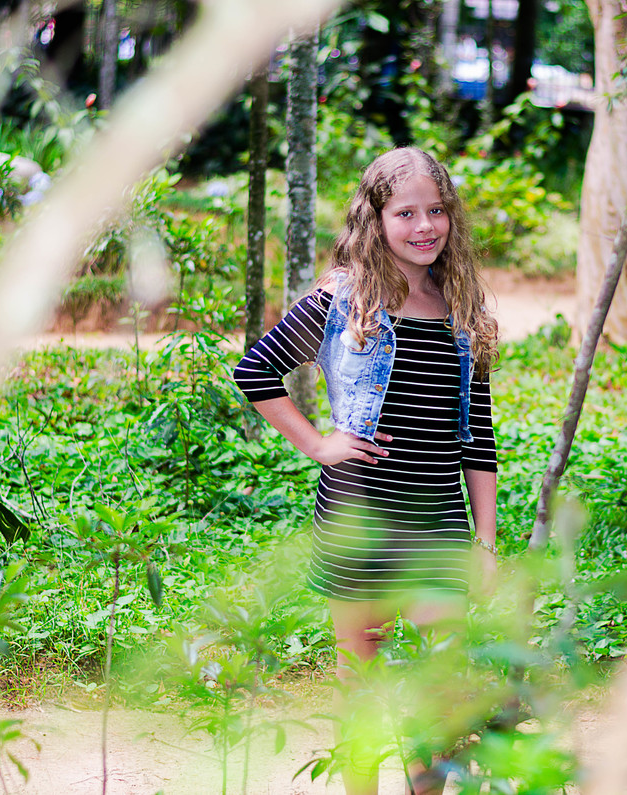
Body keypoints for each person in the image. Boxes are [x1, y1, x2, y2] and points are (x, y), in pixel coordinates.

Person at [234, 146, 499, 795]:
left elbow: (479, 437)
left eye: (436, 210)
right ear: (375, 218)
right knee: (363, 681)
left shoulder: (463, 306)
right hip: (358, 516)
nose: (425, 225)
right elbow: (255, 371)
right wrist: (319, 444)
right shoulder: (343, 298)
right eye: (406, 212)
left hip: (437, 522)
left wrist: (486, 539)